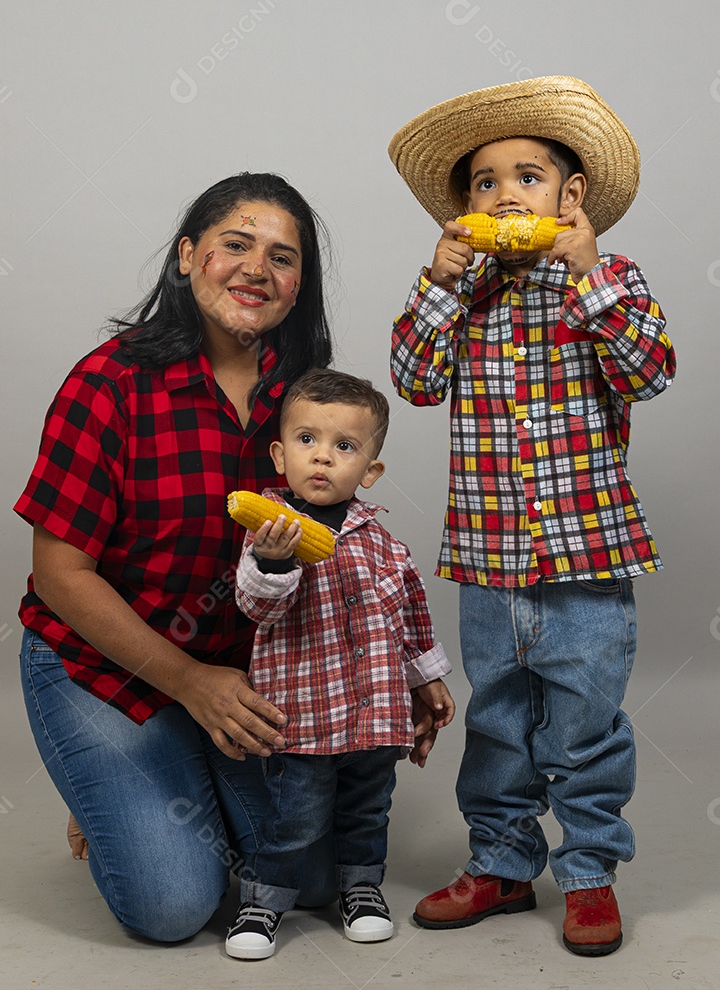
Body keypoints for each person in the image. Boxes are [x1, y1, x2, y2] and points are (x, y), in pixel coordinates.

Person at [388, 77, 676, 957]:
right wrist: (437, 287)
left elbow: (650, 370)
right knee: (499, 720)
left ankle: (588, 871)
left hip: (586, 558)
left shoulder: (609, 279)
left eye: (527, 176)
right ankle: (503, 863)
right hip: (487, 560)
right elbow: (412, 381)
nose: (505, 195)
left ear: (571, 196)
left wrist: (587, 278)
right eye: (484, 184)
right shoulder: (463, 296)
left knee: (584, 720)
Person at [15, 172, 340, 943]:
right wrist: (189, 683)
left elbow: (338, 555)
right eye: (236, 245)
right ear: (189, 257)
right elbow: (62, 576)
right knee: (173, 907)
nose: (257, 269)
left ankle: (163, 764)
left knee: (315, 880)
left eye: (282, 257)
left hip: (242, 672)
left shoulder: (306, 400)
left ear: (299, 288)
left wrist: (407, 670)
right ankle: (110, 770)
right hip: (102, 662)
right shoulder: (110, 383)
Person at [225, 368, 456, 959]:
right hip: (303, 720)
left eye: (344, 447)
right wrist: (275, 564)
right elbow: (256, 606)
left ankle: (362, 890)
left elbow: (409, 615)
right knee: (292, 818)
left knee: (367, 810)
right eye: (307, 441)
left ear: (370, 470)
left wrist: (426, 680)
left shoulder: (382, 542)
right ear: (280, 455)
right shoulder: (269, 530)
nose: (322, 458)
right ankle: (262, 901)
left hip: (374, 717)